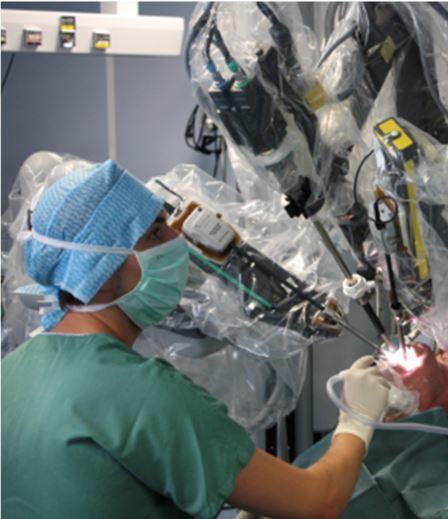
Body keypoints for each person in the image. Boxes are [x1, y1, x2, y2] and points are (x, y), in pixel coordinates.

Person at [1, 160, 390, 519]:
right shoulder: (140, 393)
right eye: (155, 234)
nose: (177, 240)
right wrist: (356, 421)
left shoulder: (12, 375)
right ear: (98, 274)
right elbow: (317, 501)